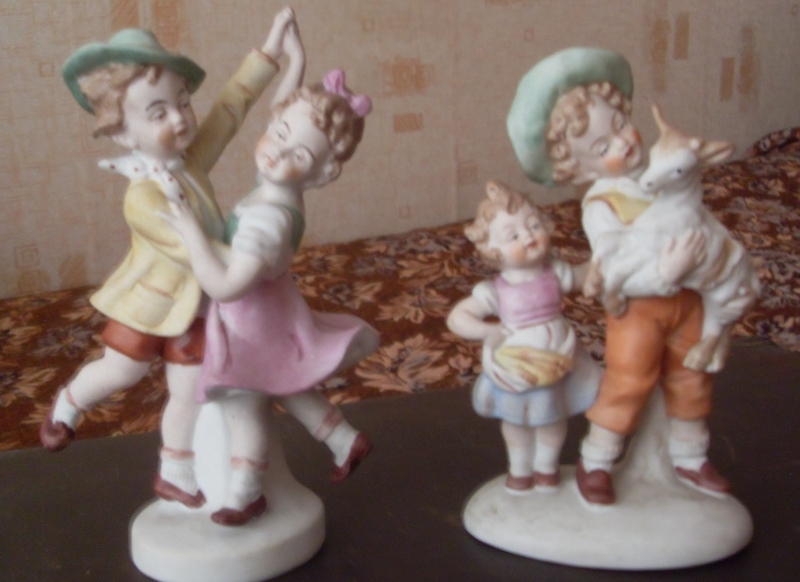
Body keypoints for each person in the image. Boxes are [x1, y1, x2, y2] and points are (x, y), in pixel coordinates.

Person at [40, 7, 298, 510]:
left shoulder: (190, 163)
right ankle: (68, 405)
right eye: (158, 113)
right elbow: (191, 250)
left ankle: (174, 471)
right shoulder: (142, 198)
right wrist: (257, 264)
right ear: (122, 132)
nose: (180, 118)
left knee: (190, 391)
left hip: (196, 307)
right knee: (121, 372)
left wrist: (270, 52)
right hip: (149, 305)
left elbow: (230, 107)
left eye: (182, 103)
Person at [506, 47, 730, 506]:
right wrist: (665, 272)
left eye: (620, 125)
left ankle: (690, 456)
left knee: (692, 376)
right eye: (601, 148)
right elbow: (613, 267)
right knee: (628, 381)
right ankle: (598, 459)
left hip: (691, 300)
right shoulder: (602, 205)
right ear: (579, 168)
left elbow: (696, 214)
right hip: (639, 309)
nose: (622, 143)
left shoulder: (663, 168)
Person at [161, 66, 378, 525]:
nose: (277, 151)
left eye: (298, 153)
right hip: (276, 310)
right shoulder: (278, 188)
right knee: (289, 382)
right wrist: (293, 60)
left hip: (248, 321)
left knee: (244, 403)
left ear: (322, 173)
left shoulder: (269, 219)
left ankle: (245, 494)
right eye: (278, 133)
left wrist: (191, 233)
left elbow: (226, 286)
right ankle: (343, 439)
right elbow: (285, 110)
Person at [446, 181, 601, 493]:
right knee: (516, 421)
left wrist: (604, 254)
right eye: (513, 235)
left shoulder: (556, 273)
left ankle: (546, 468)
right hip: (517, 367)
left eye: (533, 225)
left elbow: (586, 274)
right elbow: (457, 318)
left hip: (557, 363)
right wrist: (489, 331)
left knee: (552, 418)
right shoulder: (496, 290)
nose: (528, 236)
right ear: (493, 250)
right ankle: (519, 469)